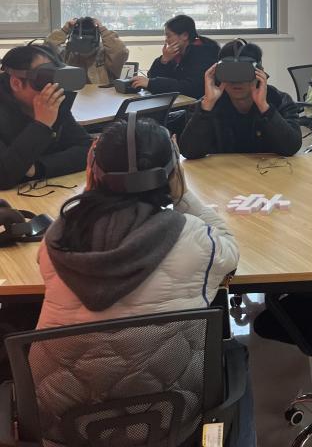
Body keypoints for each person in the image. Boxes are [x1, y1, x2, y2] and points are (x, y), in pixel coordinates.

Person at [33, 117, 251, 445]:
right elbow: (230, 250)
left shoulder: (56, 240)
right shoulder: (193, 239)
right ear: (170, 172)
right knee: (235, 355)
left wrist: (94, 187)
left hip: (65, 425)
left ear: (94, 170)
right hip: (170, 418)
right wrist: (183, 194)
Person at [178, 41, 302, 159]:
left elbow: (291, 147)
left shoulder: (279, 100)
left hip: (267, 171)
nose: (236, 81)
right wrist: (206, 108)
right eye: (229, 73)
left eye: (244, 72)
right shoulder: (206, 105)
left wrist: (265, 108)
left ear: (259, 73)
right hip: (222, 172)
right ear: (218, 74)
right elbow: (190, 152)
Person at [0, 44, 92, 190]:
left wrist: (38, 168)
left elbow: (88, 149)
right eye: (44, 79)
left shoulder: (54, 103)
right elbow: (3, 176)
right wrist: (42, 124)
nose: (53, 88)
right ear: (16, 83)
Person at [132, 14, 219, 100]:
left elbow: (190, 88)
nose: (166, 40)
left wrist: (152, 83)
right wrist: (164, 60)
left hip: (199, 105)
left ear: (185, 36)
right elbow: (152, 77)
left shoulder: (204, 54)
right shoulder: (176, 53)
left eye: (169, 36)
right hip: (179, 101)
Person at [45, 16, 129, 86]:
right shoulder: (67, 54)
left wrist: (102, 30)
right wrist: (64, 30)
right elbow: (45, 51)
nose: (83, 42)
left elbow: (121, 52)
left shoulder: (104, 55)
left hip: (100, 98)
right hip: (73, 96)